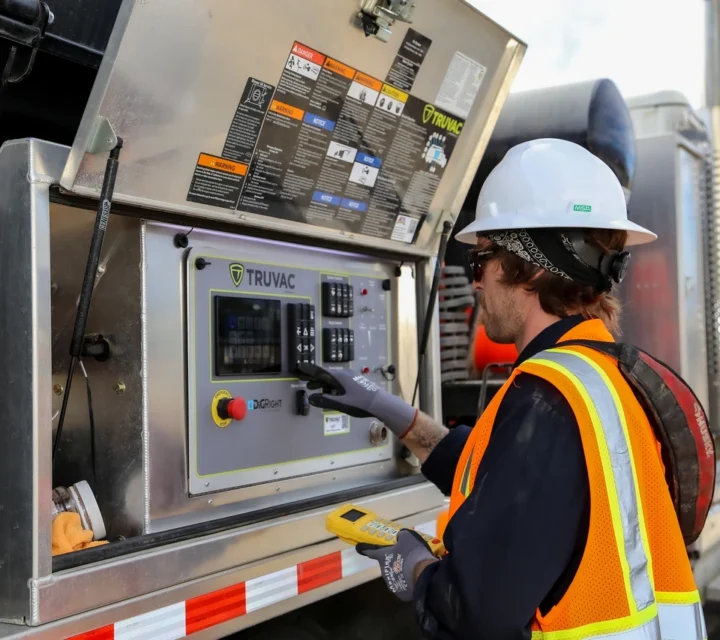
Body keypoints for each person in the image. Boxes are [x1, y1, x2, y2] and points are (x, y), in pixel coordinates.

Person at [298, 138, 707, 639]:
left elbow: (477, 616)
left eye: (481, 261)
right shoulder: (607, 375)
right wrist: (392, 412)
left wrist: (417, 568)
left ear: (529, 267)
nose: (475, 282)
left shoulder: (548, 400)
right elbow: (505, 483)